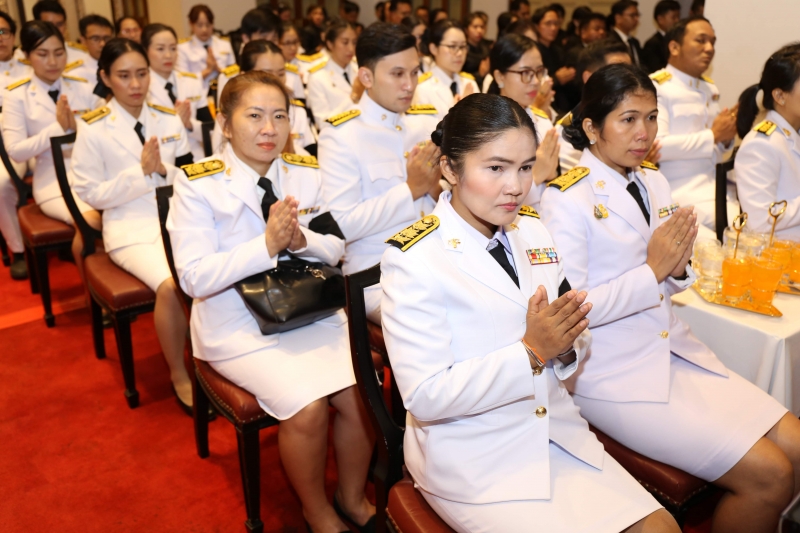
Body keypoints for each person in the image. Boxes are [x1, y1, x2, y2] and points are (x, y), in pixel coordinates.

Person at [382, 92, 677, 533]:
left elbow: (575, 332)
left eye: (524, 168)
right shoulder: (414, 256)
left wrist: (561, 346)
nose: (516, 186)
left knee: (662, 528)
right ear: (449, 169)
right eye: (496, 168)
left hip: (555, 429)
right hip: (474, 455)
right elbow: (425, 396)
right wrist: (532, 351)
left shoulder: (533, 229)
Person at [541, 62, 800, 533]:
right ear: (591, 128)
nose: (644, 132)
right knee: (772, 476)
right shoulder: (566, 199)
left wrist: (677, 267)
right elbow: (571, 313)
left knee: (798, 448)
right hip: (612, 371)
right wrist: (654, 269)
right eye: (628, 119)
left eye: (652, 118)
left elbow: (673, 278)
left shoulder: (653, 180)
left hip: (672, 349)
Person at [168, 69, 376, 533]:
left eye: (279, 116)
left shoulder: (302, 170)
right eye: (255, 116)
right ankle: (315, 508)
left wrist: (299, 239)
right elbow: (193, 277)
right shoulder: (197, 184)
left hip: (308, 308)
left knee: (362, 387)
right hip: (234, 321)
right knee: (309, 405)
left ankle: (350, 493)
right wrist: (264, 246)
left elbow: (336, 248)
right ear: (224, 124)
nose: (269, 129)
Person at [71, 38, 195, 413]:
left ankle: (222, 361)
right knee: (172, 285)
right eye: (124, 76)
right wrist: (140, 174)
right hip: (130, 227)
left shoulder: (166, 116)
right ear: (105, 78)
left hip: (177, 218)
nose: (136, 84)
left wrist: (162, 170)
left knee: (219, 271)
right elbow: (89, 193)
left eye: (141, 73)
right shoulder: (93, 128)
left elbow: (190, 173)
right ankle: (180, 374)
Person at [318, 23, 440, 322]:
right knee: (436, 320)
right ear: (366, 76)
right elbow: (343, 224)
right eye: (398, 74)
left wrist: (437, 189)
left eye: (414, 72)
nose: (410, 84)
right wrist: (411, 189)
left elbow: (440, 199)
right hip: (377, 274)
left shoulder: (424, 124)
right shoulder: (341, 135)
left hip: (436, 259)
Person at [3, 21, 101, 227]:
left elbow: (108, 128)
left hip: (97, 172)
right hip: (55, 181)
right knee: (92, 222)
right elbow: (16, 151)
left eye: (59, 53)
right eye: (42, 54)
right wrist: (58, 129)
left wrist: (77, 127)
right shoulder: (17, 95)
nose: (52, 62)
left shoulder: (83, 87)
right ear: (27, 56)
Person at [651, 16, 738, 239]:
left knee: (749, 230)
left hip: (714, 186)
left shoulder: (709, 88)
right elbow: (656, 146)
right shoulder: (657, 86)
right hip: (676, 191)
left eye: (712, 42)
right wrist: (714, 135)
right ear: (674, 47)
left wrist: (726, 135)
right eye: (701, 40)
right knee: (734, 239)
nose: (709, 48)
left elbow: (716, 150)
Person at [735, 43, 800, 240]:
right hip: (782, 256)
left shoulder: (793, 131)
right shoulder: (761, 144)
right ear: (780, 96)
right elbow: (760, 221)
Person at [489, 33, 560, 207]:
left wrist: (552, 177)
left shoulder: (543, 123)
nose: (536, 81)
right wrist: (535, 176)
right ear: (499, 77)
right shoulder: (485, 127)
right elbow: (486, 200)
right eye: (525, 73)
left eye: (539, 72)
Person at [212, 40, 317, 157]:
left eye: (281, 74)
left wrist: (290, 153)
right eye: (266, 74)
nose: (276, 81)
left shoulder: (298, 112)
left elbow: (312, 157)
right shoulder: (232, 115)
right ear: (244, 76)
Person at [556, 39, 633, 172]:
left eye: (630, 72)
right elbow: (580, 184)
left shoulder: (637, 116)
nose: (628, 81)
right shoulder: (569, 131)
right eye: (617, 73)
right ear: (589, 78)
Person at [143, 23, 213, 162]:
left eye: (173, 48)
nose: (168, 55)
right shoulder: (142, 88)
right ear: (145, 51)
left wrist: (189, 124)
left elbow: (209, 129)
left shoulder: (191, 82)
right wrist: (175, 122)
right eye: (160, 49)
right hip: (162, 160)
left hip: (197, 157)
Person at [0, 10, 31, 280]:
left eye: (3, 32)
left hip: (33, 142)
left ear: (13, 35)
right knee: (0, 185)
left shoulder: (30, 65)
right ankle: (18, 249)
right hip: (2, 150)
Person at [412, 19, 479, 123]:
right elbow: (424, 133)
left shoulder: (469, 83)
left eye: (463, 46)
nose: (460, 53)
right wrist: (459, 112)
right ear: (434, 48)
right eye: (452, 46)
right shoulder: (422, 88)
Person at [306, 19, 357, 128]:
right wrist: (352, 98)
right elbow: (323, 122)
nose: (351, 49)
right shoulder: (318, 77)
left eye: (354, 42)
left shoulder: (361, 70)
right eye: (345, 42)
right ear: (330, 44)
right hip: (337, 138)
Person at [177, 5, 235, 92]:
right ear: (191, 24)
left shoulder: (224, 44)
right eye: (199, 25)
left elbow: (235, 73)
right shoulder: (182, 48)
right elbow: (183, 80)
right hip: (198, 94)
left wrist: (218, 69)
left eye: (208, 25)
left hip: (224, 91)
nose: (204, 29)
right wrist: (208, 70)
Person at [533, 5, 575, 115]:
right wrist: (556, 78)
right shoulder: (533, 51)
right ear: (537, 26)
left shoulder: (558, 50)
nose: (553, 28)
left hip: (561, 104)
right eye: (548, 23)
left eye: (556, 24)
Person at [31, 0, 90, 69]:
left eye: (59, 24)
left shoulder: (82, 55)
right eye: (49, 25)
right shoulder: (23, 57)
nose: (55, 29)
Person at [67, 15, 114, 91]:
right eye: (95, 39)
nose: (102, 44)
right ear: (83, 41)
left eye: (106, 38)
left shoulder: (121, 68)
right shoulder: (76, 75)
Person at [641, 0, 681, 73]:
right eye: (673, 17)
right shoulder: (652, 44)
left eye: (678, 17)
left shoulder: (678, 40)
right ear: (660, 19)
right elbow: (655, 70)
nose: (677, 21)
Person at [608, 0, 642, 67]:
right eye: (632, 15)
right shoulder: (609, 41)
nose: (636, 19)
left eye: (637, 15)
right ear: (618, 18)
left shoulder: (634, 42)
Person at [462, 13, 490, 86]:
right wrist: (479, 74)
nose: (479, 30)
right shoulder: (462, 49)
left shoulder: (486, 47)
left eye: (482, 27)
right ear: (466, 29)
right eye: (475, 27)